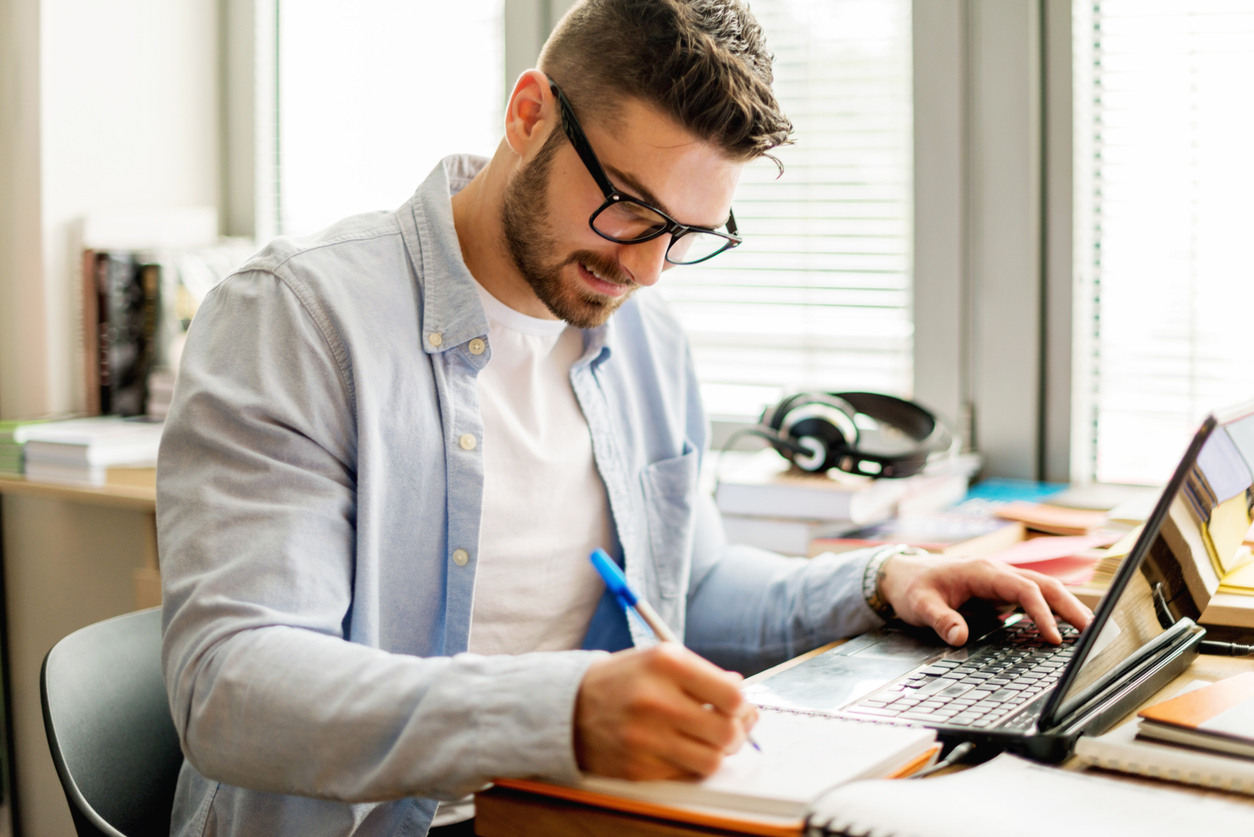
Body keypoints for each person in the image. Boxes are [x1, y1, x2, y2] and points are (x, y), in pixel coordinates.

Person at [157, 1, 1093, 835]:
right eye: (629, 210)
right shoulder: (296, 317)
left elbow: (687, 588)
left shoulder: (644, 344)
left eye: (689, 235)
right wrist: (560, 712)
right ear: (529, 115)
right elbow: (231, 686)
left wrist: (887, 580)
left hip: (584, 810)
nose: (647, 271)